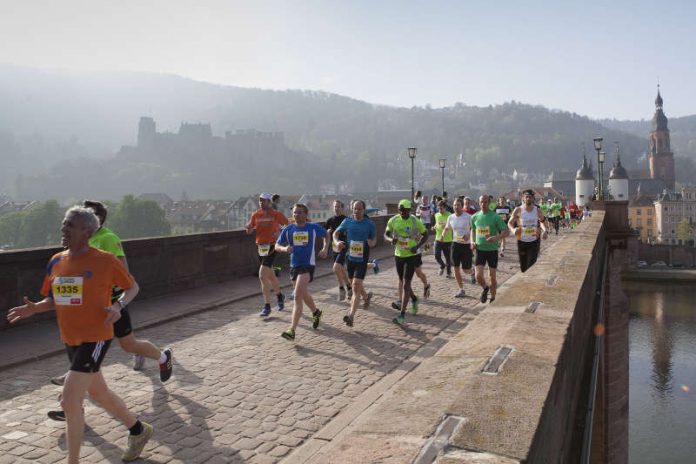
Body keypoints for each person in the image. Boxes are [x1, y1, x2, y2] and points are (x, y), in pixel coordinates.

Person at [6, 206, 153, 463]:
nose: (63, 229)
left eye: (70, 225)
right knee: (99, 393)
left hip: (96, 336)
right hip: (70, 337)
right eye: (64, 223)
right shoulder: (56, 260)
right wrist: (34, 309)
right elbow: (55, 298)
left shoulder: (105, 260)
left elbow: (133, 286)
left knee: (69, 401)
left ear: (87, 231)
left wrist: (118, 306)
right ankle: (138, 430)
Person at [46, 200, 173, 423]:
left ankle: (163, 357)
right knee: (84, 362)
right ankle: (70, 406)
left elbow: (123, 273)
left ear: (96, 221)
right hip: (87, 311)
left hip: (111, 305)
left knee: (128, 345)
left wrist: (116, 303)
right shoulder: (75, 241)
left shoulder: (109, 239)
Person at [276, 203, 330, 341]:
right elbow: (276, 245)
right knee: (303, 293)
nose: (297, 215)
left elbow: (326, 235)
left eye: (300, 212)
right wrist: (284, 249)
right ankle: (316, 312)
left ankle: (292, 330)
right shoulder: (288, 229)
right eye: (295, 212)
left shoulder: (312, 227)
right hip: (294, 266)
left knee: (297, 297)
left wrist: (325, 249)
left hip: (308, 265)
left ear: (306, 215)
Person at [334, 200, 377, 327]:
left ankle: (351, 315)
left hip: (362, 259)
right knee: (354, 283)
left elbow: (374, 239)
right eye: (354, 209)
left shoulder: (369, 224)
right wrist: (337, 243)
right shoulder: (347, 221)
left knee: (356, 286)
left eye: (359, 209)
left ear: (364, 210)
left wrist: (371, 243)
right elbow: (335, 234)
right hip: (350, 258)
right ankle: (366, 297)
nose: (356, 211)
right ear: (352, 210)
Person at [385, 200, 428, 325]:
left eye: (404, 210)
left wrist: (418, 245)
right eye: (400, 210)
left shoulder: (414, 221)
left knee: (406, 284)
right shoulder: (393, 220)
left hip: (412, 255)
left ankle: (402, 316)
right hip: (399, 255)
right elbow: (386, 234)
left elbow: (425, 234)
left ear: (409, 210)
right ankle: (414, 299)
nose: (402, 212)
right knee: (404, 283)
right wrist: (390, 239)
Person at [246, 192, 288, 317]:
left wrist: (279, 233)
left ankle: (267, 306)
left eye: (264, 200)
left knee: (262, 275)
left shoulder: (276, 214)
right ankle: (280, 295)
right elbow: (249, 230)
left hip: (272, 246)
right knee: (270, 275)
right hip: (260, 247)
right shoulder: (255, 214)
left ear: (269, 202)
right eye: (260, 200)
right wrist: (248, 228)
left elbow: (288, 224)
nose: (261, 202)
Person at [470, 195, 510, 304]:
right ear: (479, 203)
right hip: (480, 249)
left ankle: (493, 297)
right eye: (481, 202)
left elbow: (506, 232)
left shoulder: (495, 217)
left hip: (492, 250)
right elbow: (472, 231)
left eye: (485, 202)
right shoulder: (474, 217)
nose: (483, 204)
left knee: (492, 276)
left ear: (489, 202)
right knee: (478, 275)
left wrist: (496, 238)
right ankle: (485, 288)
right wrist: (472, 241)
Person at [508, 189, 548, 272]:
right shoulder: (518, 210)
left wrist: (545, 231)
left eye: (530, 197)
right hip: (522, 241)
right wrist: (513, 230)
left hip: (534, 240)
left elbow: (542, 222)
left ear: (533, 198)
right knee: (524, 266)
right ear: (523, 198)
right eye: (526, 197)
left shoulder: (537, 210)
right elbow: (509, 223)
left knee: (532, 263)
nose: (528, 199)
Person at [441, 197, 473, 297]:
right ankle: (461, 289)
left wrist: (469, 236)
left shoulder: (468, 216)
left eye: (458, 205)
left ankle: (472, 272)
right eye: (454, 205)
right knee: (456, 268)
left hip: (466, 245)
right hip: (455, 245)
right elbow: (447, 228)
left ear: (462, 206)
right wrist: (442, 236)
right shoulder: (451, 217)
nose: (456, 207)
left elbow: (473, 228)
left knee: (465, 270)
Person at [326, 200, 351, 301]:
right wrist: (327, 232)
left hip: (344, 246)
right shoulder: (330, 220)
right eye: (335, 207)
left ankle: (341, 288)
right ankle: (349, 287)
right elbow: (325, 235)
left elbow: (351, 232)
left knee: (336, 267)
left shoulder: (346, 220)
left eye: (338, 207)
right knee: (339, 269)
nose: (336, 208)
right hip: (334, 247)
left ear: (342, 208)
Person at [433, 200, 453, 278]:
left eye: (441, 208)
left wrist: (445, 227)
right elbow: (437, 223)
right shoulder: (436, 215)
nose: (440, 210)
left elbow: (452, 226)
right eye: (439, 208)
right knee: (437, 255)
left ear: (445, 208)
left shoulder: (450, 215)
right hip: (438, 239)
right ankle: (442, 265)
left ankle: (448, 272)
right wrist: (434, 226)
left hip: (447, 240)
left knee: (447, 257)